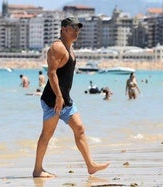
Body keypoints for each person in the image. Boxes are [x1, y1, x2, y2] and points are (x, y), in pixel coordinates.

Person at [33, 17, 110, 178]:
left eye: (78, 28)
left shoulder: (70, 48)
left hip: (65, 99)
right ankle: (38, 170)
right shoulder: (57, 47)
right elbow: (51, 73)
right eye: (72, 28)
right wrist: (59, 97)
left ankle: (90, 165)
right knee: (47, 135)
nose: (76, 31)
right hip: (52, 100)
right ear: (63, 29)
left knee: (80, 129)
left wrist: (63, 97)